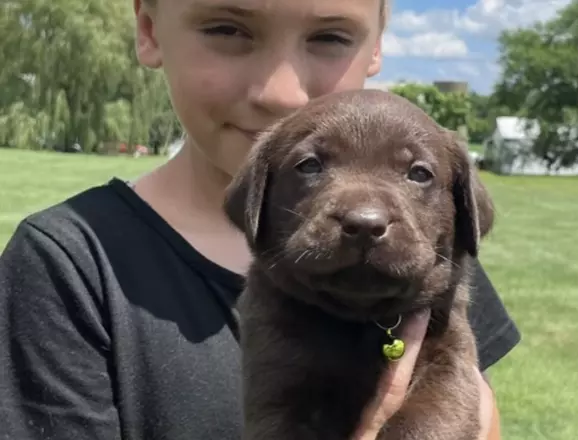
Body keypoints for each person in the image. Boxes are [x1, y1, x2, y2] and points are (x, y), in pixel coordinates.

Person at [0, 0, 520, 438]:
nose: (282, 93)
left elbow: (481, 419)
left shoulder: (424, 260)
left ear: (378, 42)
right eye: (227, 29)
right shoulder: (66, 268)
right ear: (149, 27)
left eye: (331, 37)